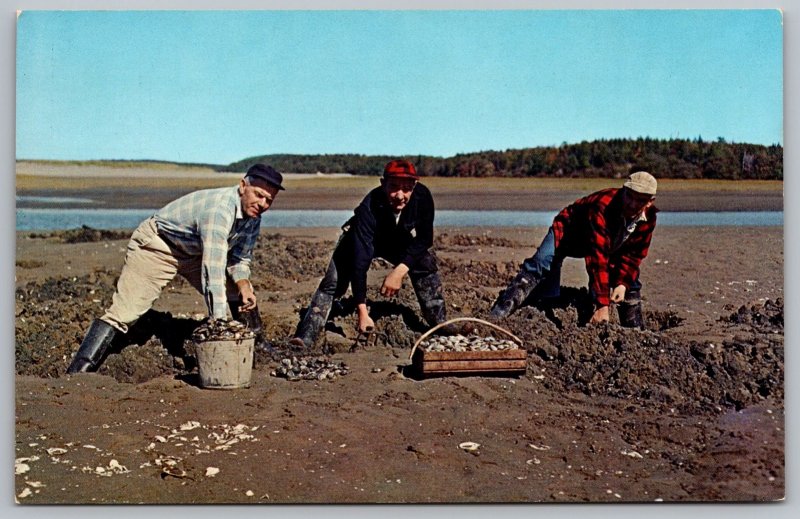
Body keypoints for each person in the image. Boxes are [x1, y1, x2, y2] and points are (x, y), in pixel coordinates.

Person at [66, 163, 285, 373]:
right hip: (158, 246)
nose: (263, 204)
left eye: (269, 200)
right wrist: (220, 324)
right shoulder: (220, 210)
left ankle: (259, 346)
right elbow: (213, 270)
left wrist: (244, 285)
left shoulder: (253, 216)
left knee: (237, 294)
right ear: (242, 186)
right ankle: (79, 370)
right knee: (126, 312)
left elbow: (240, 258)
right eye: (258, 194)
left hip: (193, 251)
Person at [290, 159, 453, 348]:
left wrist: (399, 271)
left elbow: (424, 239)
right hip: (360, 239)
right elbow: (359, 264)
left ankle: (438, 322)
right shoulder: (368, 207)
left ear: (414, 186)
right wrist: (362, 312)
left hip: (395, 238)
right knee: (332, 282)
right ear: (383, 184)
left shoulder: (422, 196)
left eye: (406, 189)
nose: (400, 195)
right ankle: (307, 334)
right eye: (393, 187)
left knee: (424, 262)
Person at [490, 171, 659, 328]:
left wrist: (622, 284)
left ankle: (634, 331)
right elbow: (597, 258)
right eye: (629, 196)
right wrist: (602, 304)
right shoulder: (602, 206)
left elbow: (634, 255)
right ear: (624, 190)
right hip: (569, 232)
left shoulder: (649, 218)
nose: (632, 204)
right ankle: (498, 314)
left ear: (650, 202)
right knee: (541, 263)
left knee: (631, 280)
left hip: (610, 241)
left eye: (640, 200)